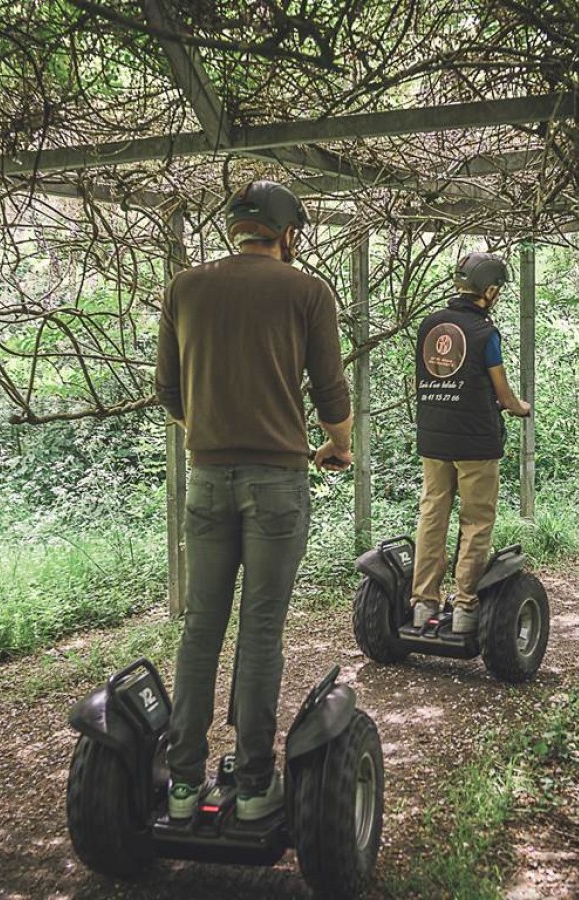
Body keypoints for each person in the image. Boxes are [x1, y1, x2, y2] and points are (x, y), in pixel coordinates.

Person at [154, 180, 353, 821]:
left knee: (201, 628)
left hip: (207, 479)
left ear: (234, 229)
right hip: (277, 483)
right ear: (288, 234)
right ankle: (254, 785)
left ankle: (182, 786)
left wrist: (213, 433)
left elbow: (168, 390)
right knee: (261, 629)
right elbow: (329, 389)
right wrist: (337, 445)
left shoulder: (185, 287)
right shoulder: (307, 291)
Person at [410, 251, 531, 634]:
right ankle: (464, 608)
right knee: (476, 521)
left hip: (433, 438)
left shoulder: (430, 326)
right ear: (489, 290)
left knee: (432, 516)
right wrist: (519, 407)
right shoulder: (484, 333)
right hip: (476, 444)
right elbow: (502, 390)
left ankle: (423, 603)